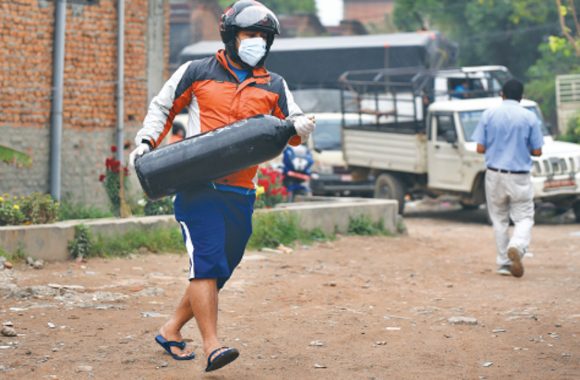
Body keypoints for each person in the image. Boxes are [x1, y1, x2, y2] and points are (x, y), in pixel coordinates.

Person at [128, 0, 315, 372]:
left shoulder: (275, 85)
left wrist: (301, 129)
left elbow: (291, 129)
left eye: (264, 37)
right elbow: (163, 107)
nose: (257, 42)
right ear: (231, 36)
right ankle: (213, 345)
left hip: (242, 193)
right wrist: (146, 142)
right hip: (199, 186)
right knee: (207, 263)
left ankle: (171, 330)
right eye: (250, 34)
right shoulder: (197, 71)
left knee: (219, 269)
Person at [471, 79, 543, 278]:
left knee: (499, 220)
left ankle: (504, 263)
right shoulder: (529, 118)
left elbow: (480, 148)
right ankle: (517, 246)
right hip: (519, 176)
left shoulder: (489, 114)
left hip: (494, 174)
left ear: (501, 94)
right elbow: (537, 150)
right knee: (524, 217)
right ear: (522, 96)